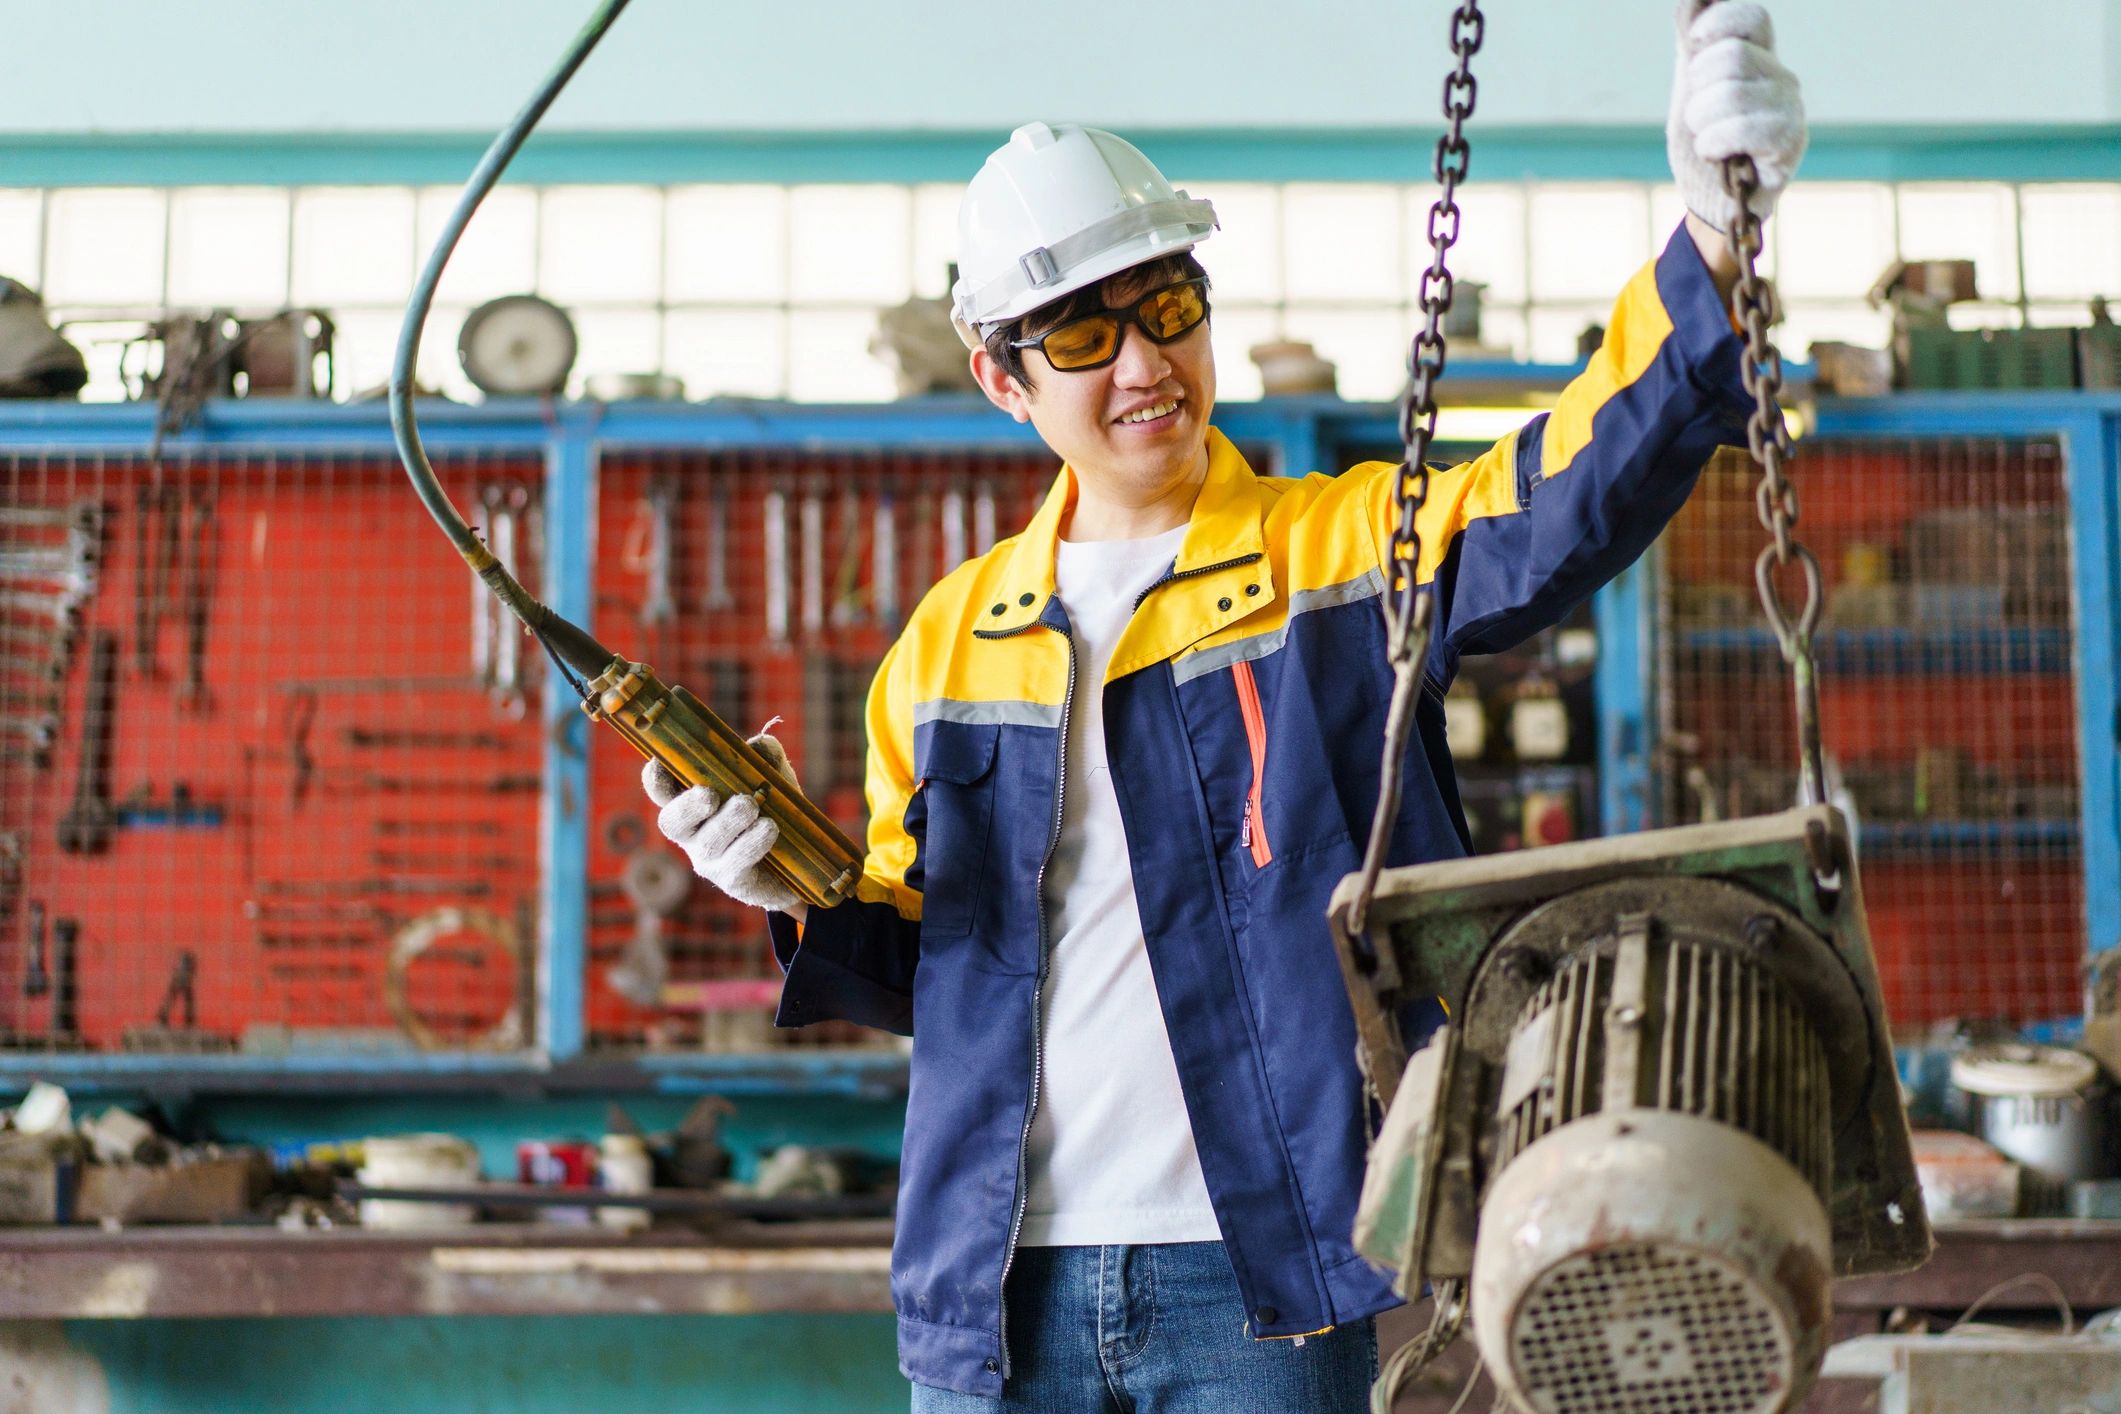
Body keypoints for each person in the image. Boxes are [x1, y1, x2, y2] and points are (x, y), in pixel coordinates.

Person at [643, 3, 1806, 1408]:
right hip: (993, 1279)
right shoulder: (950, 645)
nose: (1142, 366)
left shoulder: (1333, 559)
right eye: (1080, 334)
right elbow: (937, 964)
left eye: (1166, 309)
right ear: (1002, 379)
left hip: (1256, 1275)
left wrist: (1713, 240)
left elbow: (1564, 487)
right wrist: (781, 877)